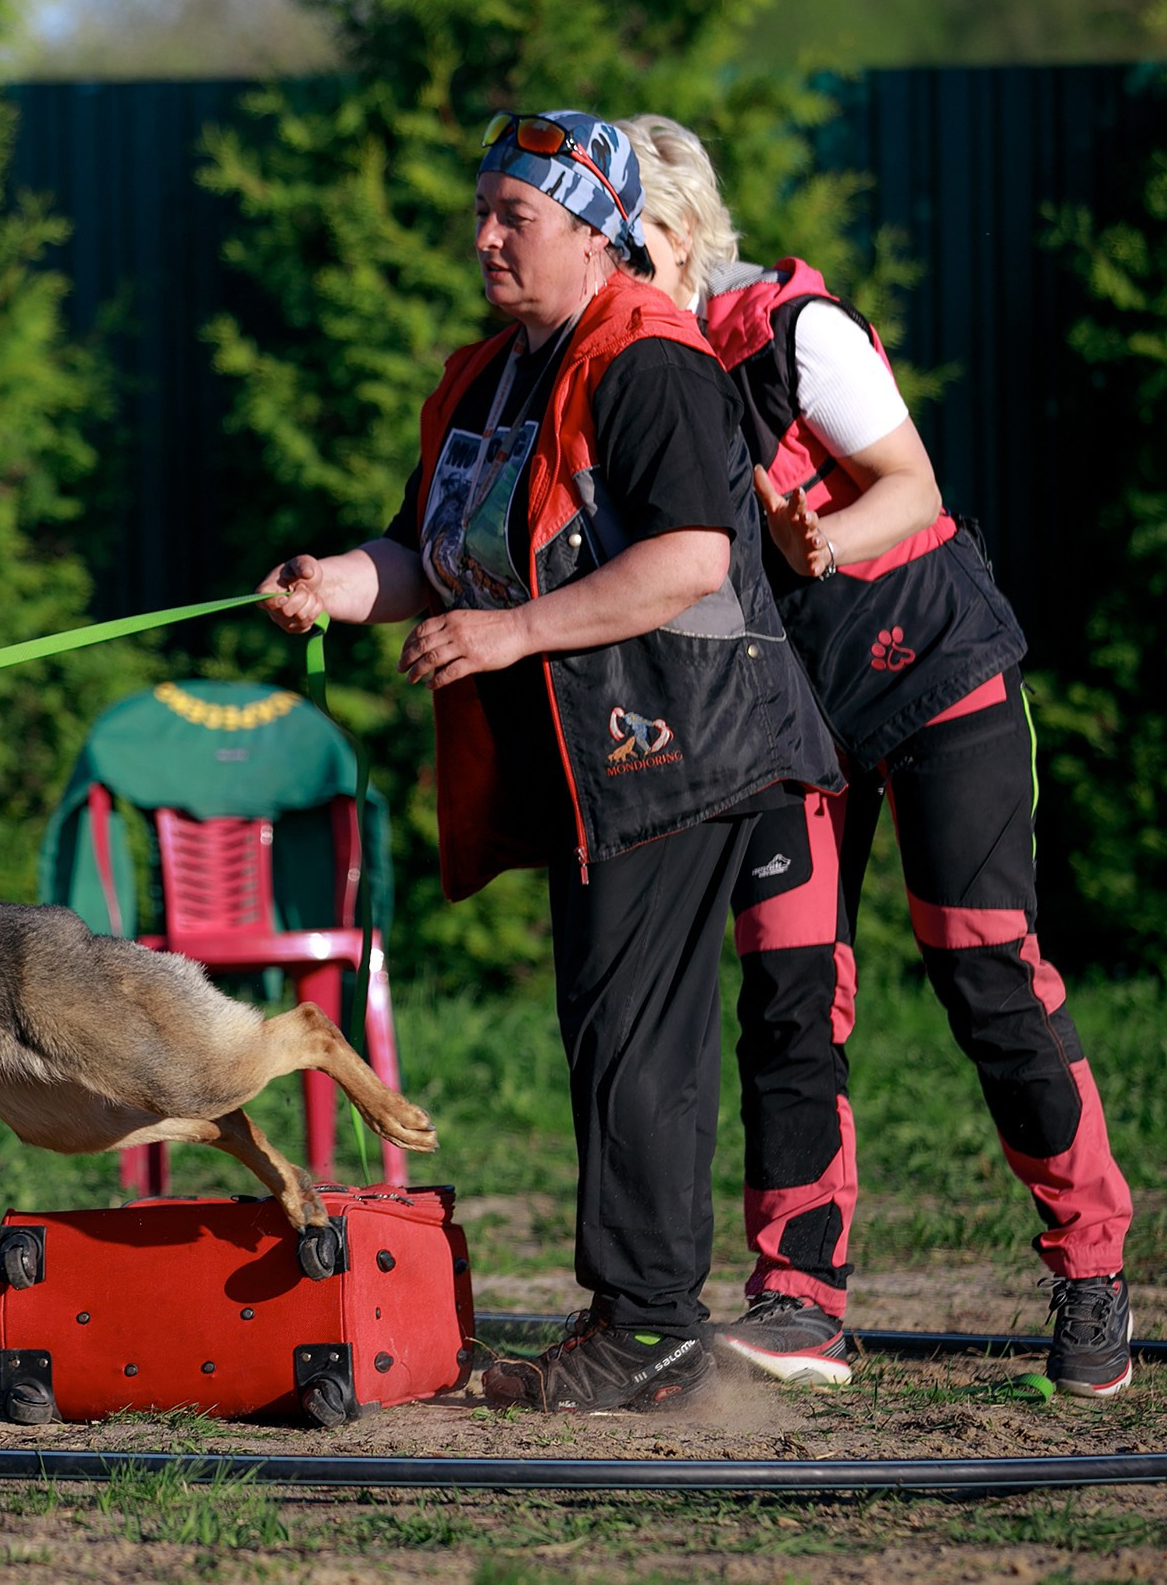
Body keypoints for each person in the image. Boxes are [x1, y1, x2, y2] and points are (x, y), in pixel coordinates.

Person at [262, 111, 841, 1413]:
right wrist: (335, 584)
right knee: (602, 1024)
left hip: (682, 740)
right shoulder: (487, 376)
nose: (483, 236)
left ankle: (644, 1326)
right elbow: (429, 553)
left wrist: (510, 630)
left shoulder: (652, 361)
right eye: (483, 210)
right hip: (594, 762)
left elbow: (692, 557)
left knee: (635, 1034)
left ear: (594, 232)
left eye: (512, 216)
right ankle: (642, 1314)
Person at [620, 115, 1136, 1397]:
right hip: (793, 718)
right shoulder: (630, 370)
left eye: (621, 245)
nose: (609, 277)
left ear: (680, 235)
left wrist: (823, 540)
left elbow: (910, 486)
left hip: (935, 671)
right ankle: (798, 1298)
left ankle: (1093, 1267)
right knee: (789, 991)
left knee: (984, 972)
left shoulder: (791, 331)